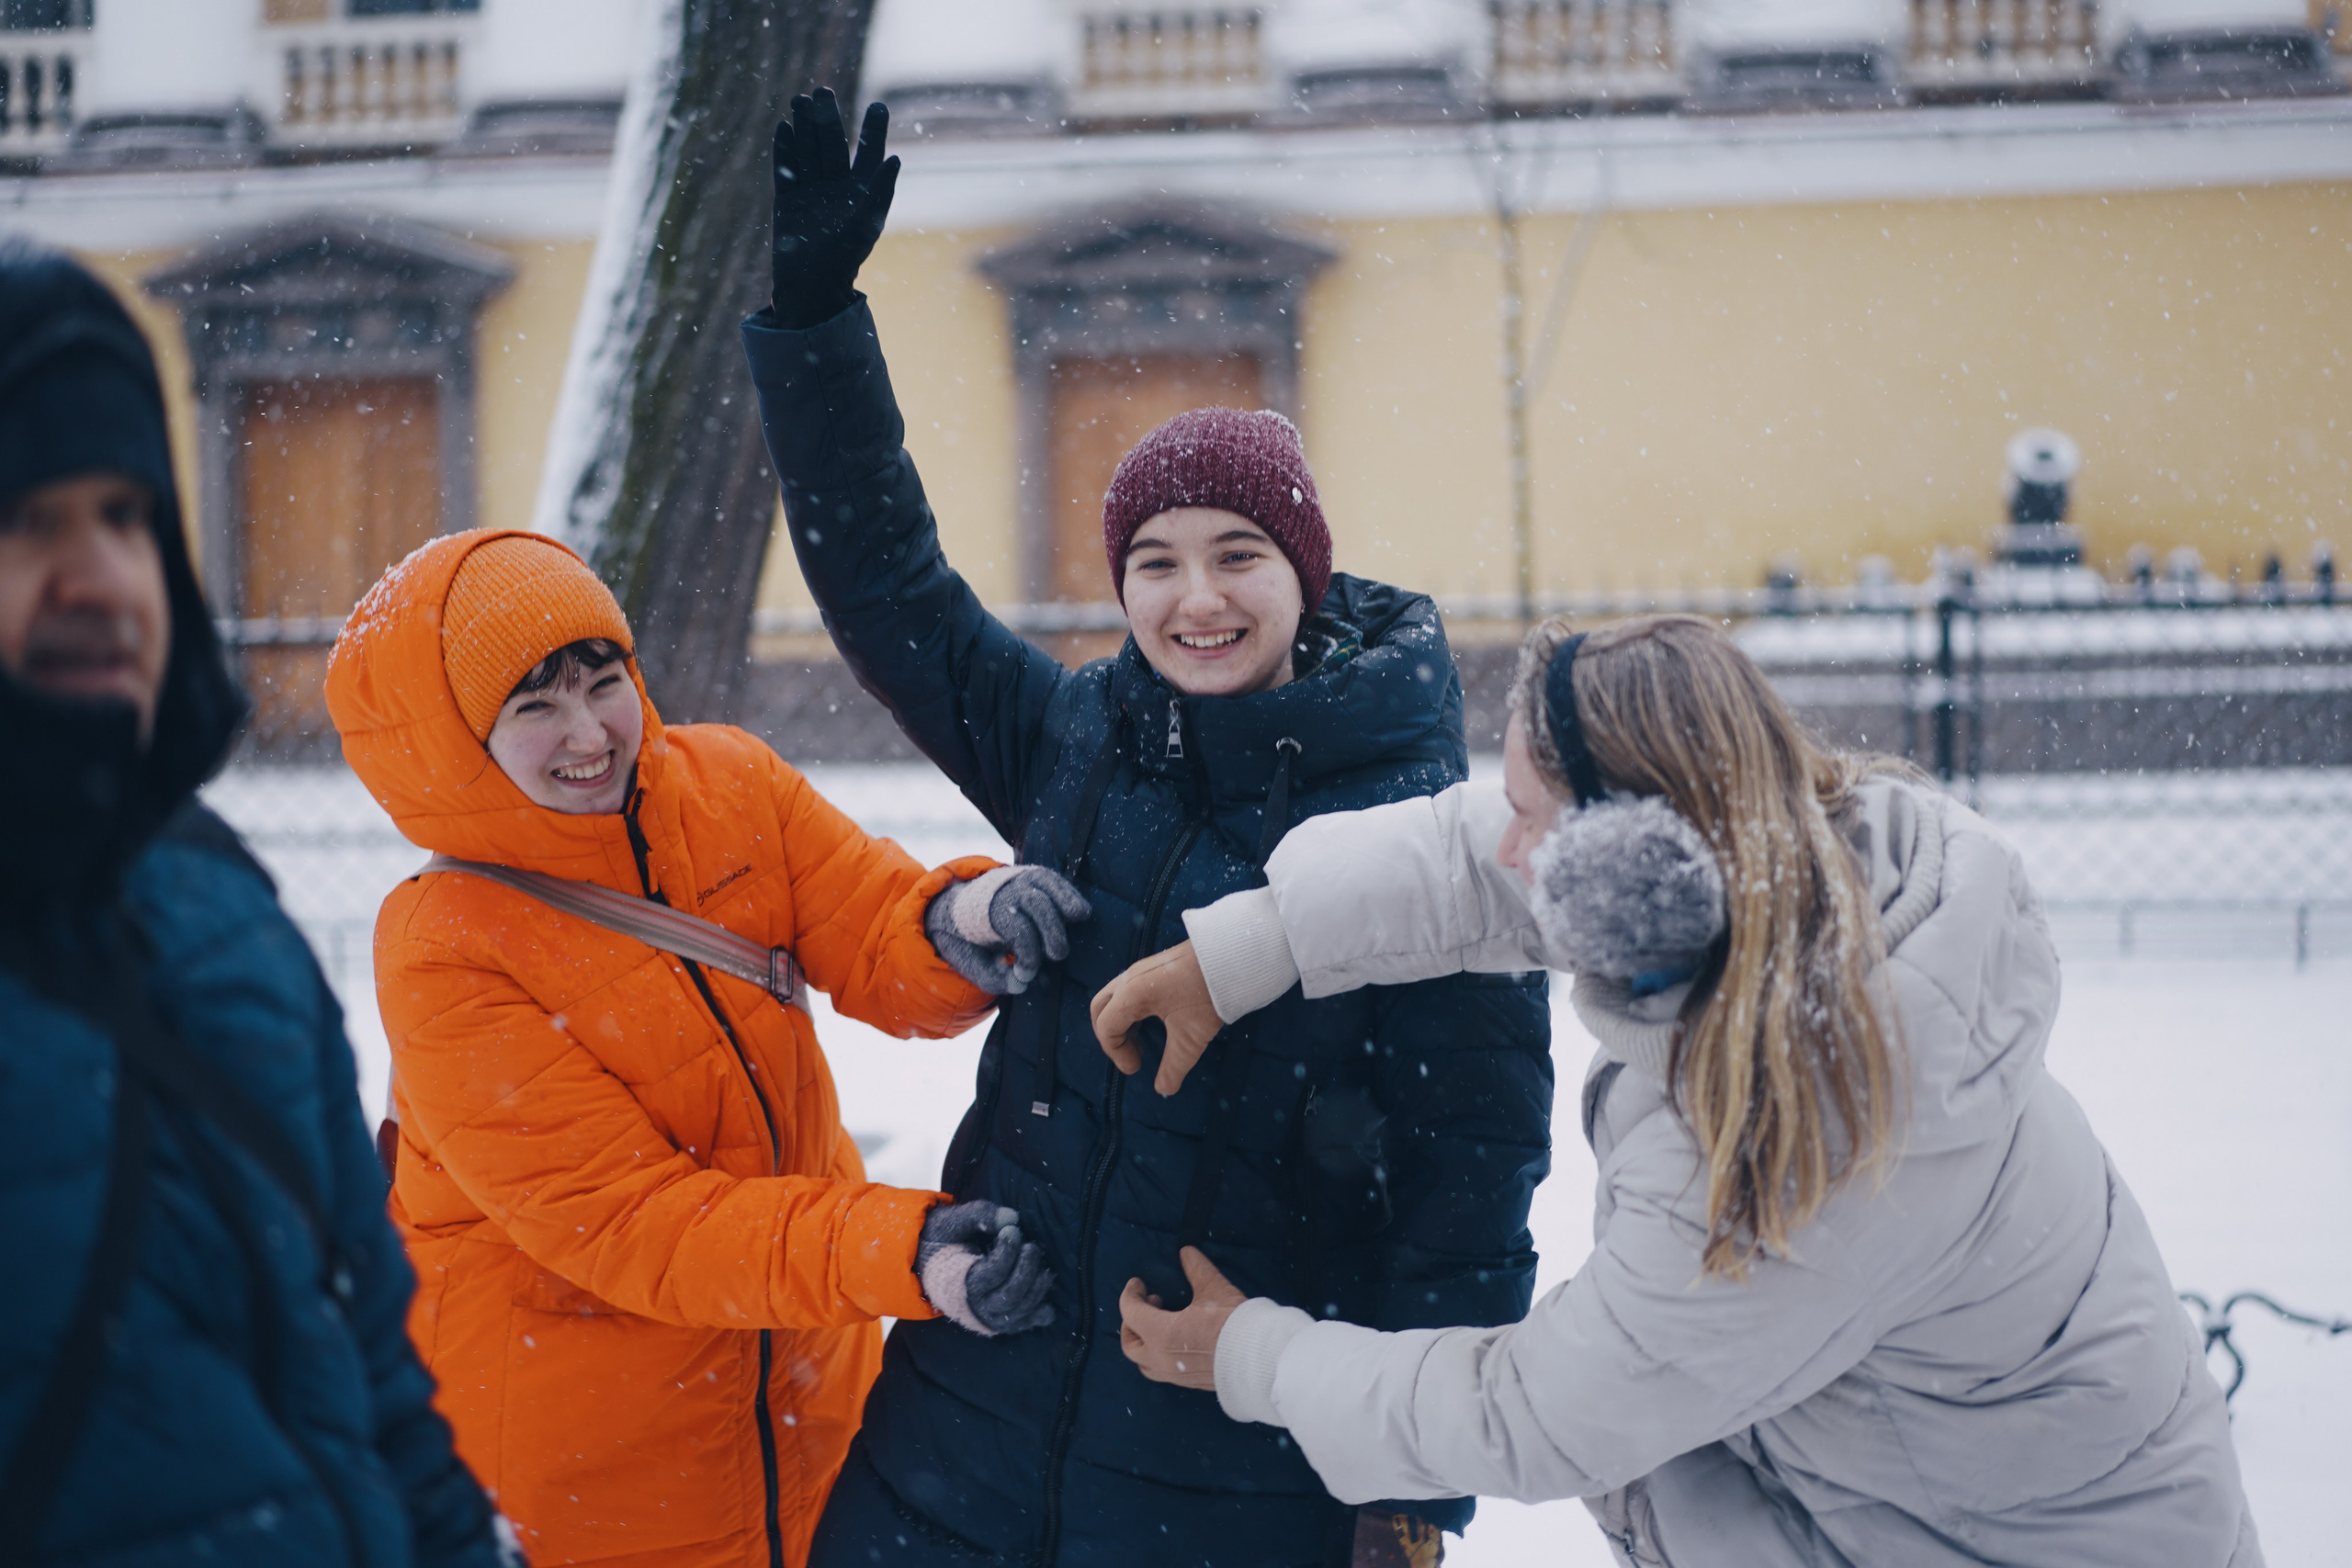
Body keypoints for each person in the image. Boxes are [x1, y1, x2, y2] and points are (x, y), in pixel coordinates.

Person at [741, 89, 1554, 1568]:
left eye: (1241, 557)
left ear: (1306, 579)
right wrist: (813, 322)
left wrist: (1410, 1501)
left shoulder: (1423, 840)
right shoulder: (1074, 743)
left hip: (1226, 1456)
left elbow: (1469, 1188)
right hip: (971, 1412)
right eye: (1158, 562)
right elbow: (888, 592)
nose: (1198, 599)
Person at [1100, 614, 2263, 1567]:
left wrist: (1253, 1358)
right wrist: (1251, 945)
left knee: (1644, 1456)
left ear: (1636, 863)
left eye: (1531, 818)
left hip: (2000, 1544)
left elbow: (1538, 1415)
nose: (1509, 847)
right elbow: (1481, 856)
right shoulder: (1793, 866)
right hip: (1948, 1478)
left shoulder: (1804, 1145)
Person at [323, 529, 1075, 1568]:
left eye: (602, 679)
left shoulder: (729, 786)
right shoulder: (443, 944)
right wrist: (906, 1253)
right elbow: (632, 1221)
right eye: (533, 705)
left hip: (804, 1386)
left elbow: (868, 922)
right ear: (456, 739)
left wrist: (965, 920)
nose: (589, 730)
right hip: (588, 1460)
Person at [0, 246, 514, 1565]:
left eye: (124, 513)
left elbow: (367, 1376)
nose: (99, 572)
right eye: (24, 519)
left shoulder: (215, 902)